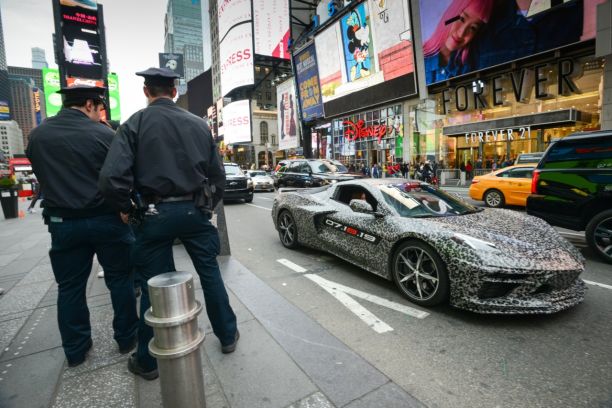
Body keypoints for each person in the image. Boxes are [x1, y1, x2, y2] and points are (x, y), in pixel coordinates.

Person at [99, 68, 238, 381]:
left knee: (154, 284)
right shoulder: (199, 125)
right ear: (174, 92)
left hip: (153, 214)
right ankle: (227, 336)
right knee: (210, 273)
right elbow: (218, 177)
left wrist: (128, 208)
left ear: (147, 91)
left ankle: (148, 362)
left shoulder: (135, 123)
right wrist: (205, 207)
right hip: (194, 213)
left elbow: (110, 178)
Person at [26, 85, 138, 367]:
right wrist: (125, 207)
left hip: (63, 222)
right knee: (120, 279)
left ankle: (76, 349)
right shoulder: (104, 134)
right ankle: (126, 338)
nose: (100, 113)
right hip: (107, 219)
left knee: (70, 287)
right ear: (89, 104)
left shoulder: (38, 135)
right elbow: (121, 176)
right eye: (99, 108)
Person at [422, 0, 494, 83]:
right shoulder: (420, 60)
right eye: (462, 18)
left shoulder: (471, 65)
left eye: (473, 28)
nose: (461, 33)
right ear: (449, 15)